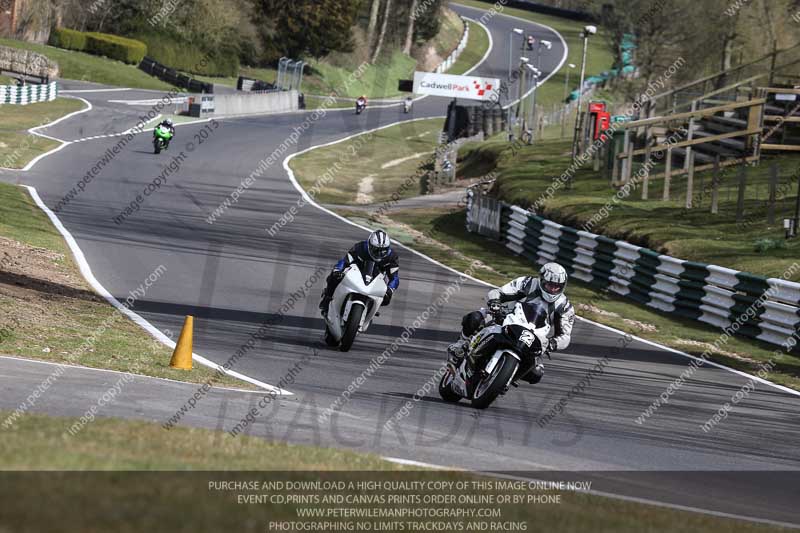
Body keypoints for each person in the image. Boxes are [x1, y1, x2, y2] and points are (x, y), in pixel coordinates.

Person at [447, 262, 575, 383]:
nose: (553, 289)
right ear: (542, 280)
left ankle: (505, 378)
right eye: (550, 285)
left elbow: (565, 336)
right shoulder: (528, 283)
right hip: (506, 318)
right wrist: (495, 302)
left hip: (535, 336)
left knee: (536, 373)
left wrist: (552, 343)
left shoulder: (564, 306)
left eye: (557, 287)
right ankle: (460, 344)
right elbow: (498, 292)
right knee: (475, 318)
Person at [319, 230, 399, 316]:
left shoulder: (392, 257)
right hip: (357, 271)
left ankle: (372, 310)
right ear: (369, 246)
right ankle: (327, 297)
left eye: (383, 251)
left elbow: (394, 277)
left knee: (386, 299)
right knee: (334, 277)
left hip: (377, 279)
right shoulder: (360, 247)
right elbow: (345, 261)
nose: (379, 254)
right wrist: (338, 270)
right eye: (376, 250)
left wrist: (390, 289)